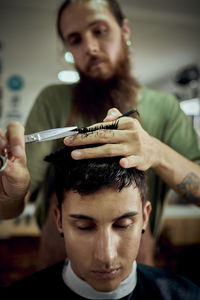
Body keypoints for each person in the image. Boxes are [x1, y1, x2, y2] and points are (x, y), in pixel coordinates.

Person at [0, 0, 200, 267]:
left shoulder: (166, 108)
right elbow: (12, 205)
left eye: (99, 30)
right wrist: (8, 193)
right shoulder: (53, 100)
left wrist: (156, 152)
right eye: (75, 40)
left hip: (137, 267)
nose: (90, 48)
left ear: (125, 30)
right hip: (59, 263)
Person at [3, 143, 200, 299]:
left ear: (145, 217)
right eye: (84, 227)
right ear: (59, 221)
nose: (106, 256)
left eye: (123, 225)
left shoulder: (186, 296)